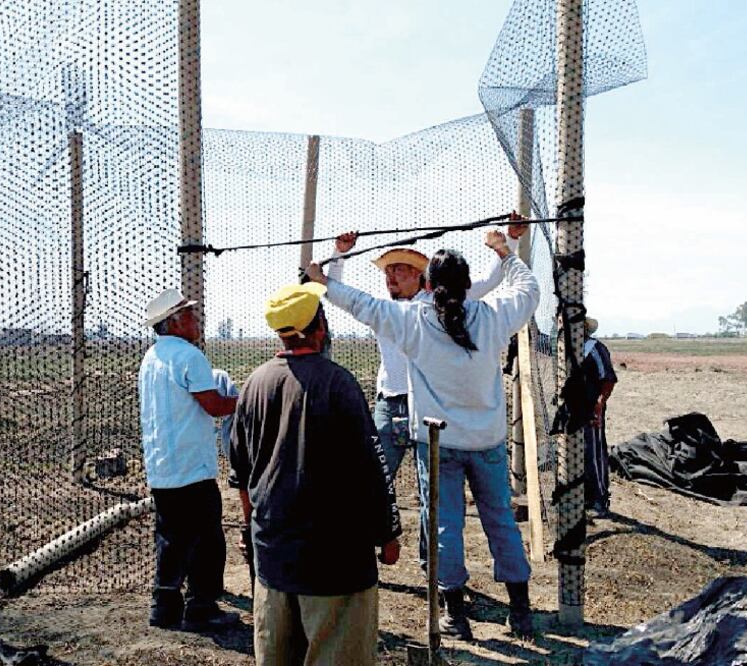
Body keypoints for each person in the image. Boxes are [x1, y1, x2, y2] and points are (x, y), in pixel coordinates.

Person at [305, 227, 539, 640]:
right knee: (500, 520)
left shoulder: (412, 320)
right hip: (487, 441)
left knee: (445, 523)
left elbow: (361, 304)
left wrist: (324, 280)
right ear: (468, 285)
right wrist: (505, 251)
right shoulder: (494, 315)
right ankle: (520, 611)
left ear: (428, 284)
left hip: (438, 443)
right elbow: (528, 288)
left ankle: (454, 615)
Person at [229, 282, 402, 665]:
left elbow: (241, 476)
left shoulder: (255, 385)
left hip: (273, 561)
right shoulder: (338, 383)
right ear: (319, 326)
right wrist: (388, 533)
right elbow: (372, 468)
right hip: (335, 565)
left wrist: (252, 532)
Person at [138, 287, 241, 632]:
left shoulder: (151, 357)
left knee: (171, 536)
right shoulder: (189, 356)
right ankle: (202, 607)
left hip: (162, 466)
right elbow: (213, 405)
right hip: (192, 468)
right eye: (191, 315)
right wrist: (244, 401)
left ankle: (163, 607)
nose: (197, 321)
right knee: (207, 539)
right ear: (176, 322)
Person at [582, 317, 618, 515]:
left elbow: (608, 379)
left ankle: (599, 498)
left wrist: (599, 403)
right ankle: (583, 496)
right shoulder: (563, 349)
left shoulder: (594, 348)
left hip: (590, 409)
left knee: (593, 452)